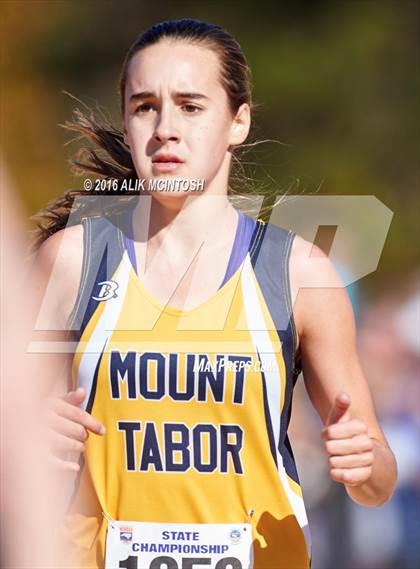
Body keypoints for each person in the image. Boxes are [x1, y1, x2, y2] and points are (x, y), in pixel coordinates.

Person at [32, 19, 397, 569]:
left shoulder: (300, 273)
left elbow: (377, 478)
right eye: (144, 106)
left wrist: (365, 464)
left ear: (238, 121)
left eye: (191, 105)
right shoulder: (70, 262)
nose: (165, 128)